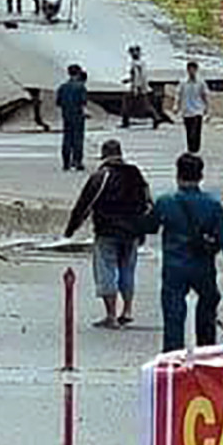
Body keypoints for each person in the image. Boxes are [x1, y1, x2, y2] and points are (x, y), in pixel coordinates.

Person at [147, 152, 223, 352]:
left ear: (177, 175)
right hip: (203, 264)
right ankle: (206, 351)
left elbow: (150, 226)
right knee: (208, 305)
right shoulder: (213, 205)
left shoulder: (165, 202)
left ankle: (173, 354)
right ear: (201, 176)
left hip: (174, 265)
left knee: (173, 313)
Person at [64, 139, 154, 328]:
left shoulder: (101, 176)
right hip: (132, 232)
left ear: (104, 155)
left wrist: (71, 229)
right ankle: (127, 310)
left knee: (106, 271)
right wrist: (143, 229)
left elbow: (85, 205)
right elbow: (147, 204)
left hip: (108, 231)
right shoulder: (136, 174)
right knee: (127, 270)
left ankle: (111, 315)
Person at [55, 64, 90, 171]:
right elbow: (83, 102)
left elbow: (58, 102)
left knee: (67, 138)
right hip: (78, 116)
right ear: (78, 73)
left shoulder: (62, 87)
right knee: (78, 139)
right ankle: (77, 161)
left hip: (66, 116)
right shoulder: (81, 87)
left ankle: (66, 162)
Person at [123, 44, 166, 128]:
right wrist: (129, 80)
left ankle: (156, 117)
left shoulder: (136, 65)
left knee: (140, 105)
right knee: (131, 104)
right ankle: (126, 120)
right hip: (139, 87)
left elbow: (138, 77)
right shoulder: (140, 64)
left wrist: (137, 88)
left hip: (138, 88)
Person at [175, 59, 211, 153]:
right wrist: (176, 106)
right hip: (186, 110)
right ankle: (190, 148)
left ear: (196, 70)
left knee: (195, 131)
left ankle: (195, 148)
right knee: (188, 130)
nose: (191, 71)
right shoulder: (183, 83)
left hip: (197, 110)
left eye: (193, 69)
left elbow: (205, 95)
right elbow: (178, 94)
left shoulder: (201, 83)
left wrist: (207, 108)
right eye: (190, 69)